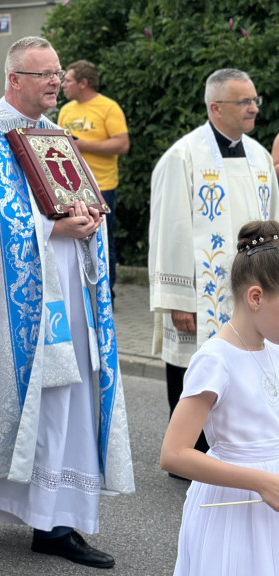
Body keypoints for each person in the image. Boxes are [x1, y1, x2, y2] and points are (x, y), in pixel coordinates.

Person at [0, 36, 133, 569]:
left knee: (66, 402)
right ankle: (34, 517)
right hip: (17, 306)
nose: (54, 81)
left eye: (58, 72)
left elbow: (81, 201)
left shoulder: (56, 135)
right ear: (13, 80)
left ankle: (54, 517)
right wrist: (53, 229)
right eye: (43, 73)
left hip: (72, 294)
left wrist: (91, 223)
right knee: (37, 404)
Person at [149, 68, 279, 450]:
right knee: (192, 359)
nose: (254, 107)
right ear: (216, 107)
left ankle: (239, 443)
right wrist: (179, 300)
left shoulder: (258, 157)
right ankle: (190, 451)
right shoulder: (183, 157)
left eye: (254, 100)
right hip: (200, 291)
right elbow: (169, 230)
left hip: (254, 286)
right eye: (245, 101)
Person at [161, 219, 279, 575]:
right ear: (255, 297)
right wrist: (262, 482)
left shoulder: (273, 347)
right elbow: (174, 454)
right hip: (235, 506)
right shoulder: (215, 360)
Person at [58, 60, 130, 291]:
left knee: (102, 240)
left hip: (101, 186)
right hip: (69, 188)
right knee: (73, 238)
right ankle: (81, 289)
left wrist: (83, 145)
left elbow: (122, 144)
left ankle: (106, 291)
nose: (62, 85)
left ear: (83, 83)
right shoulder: (66, 110)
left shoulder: (108, 107)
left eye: (67, 80)